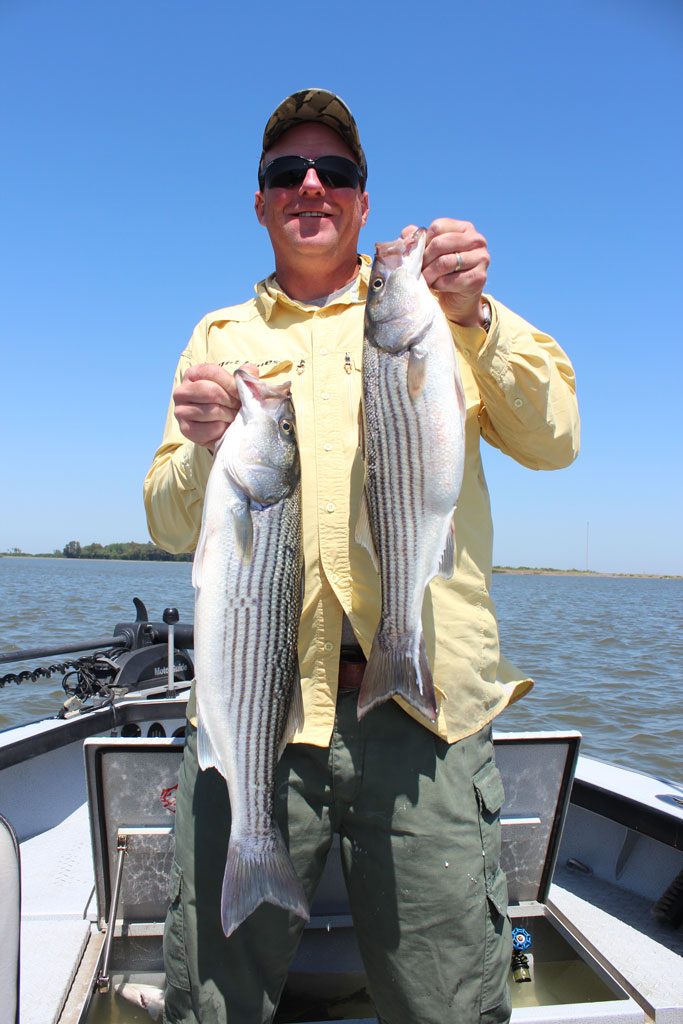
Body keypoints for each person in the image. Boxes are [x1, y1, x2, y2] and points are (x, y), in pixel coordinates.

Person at [144, 88, 580, 1024]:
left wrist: (477, 317)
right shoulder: (219, 340)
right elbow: (171, 522)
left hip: (425, 711)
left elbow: (554, 439)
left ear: (363, 202)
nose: (311, 185)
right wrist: (206, 446)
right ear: (259, 202)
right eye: (285, 173)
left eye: (334, 172)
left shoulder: (435, 316)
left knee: (447, 1000)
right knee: (214, 1000)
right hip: (259, 711)